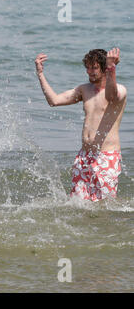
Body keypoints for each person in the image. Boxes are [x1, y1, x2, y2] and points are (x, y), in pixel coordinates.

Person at [35, 48, 127, 201]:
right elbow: (54, 101)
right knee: (78, 204)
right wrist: (40, 74)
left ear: (105, 68)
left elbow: (111, 96)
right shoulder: (84, 89)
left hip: (106, 157)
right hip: (84, 157)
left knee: (105, 205)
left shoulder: (121, 90)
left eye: (94, 67)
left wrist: (112, 68)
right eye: (88, 67)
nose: (89, 72)